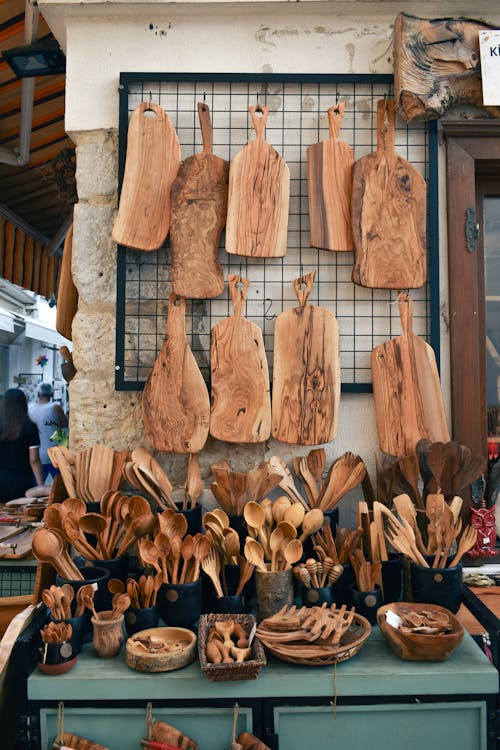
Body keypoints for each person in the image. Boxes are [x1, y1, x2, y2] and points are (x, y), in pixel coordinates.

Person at [0, 388, 43, 501]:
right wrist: (40, 485)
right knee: (22, 515)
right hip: (22, 480)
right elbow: (34, 459)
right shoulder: (30, 427)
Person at [28, 382, 68, 482]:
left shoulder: (29, 407)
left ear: (38, 393)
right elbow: (65, 424)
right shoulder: (55, 407)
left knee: (36, 488)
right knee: (61, 486)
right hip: (54, 454)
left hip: (35, 454)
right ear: (51, 394)